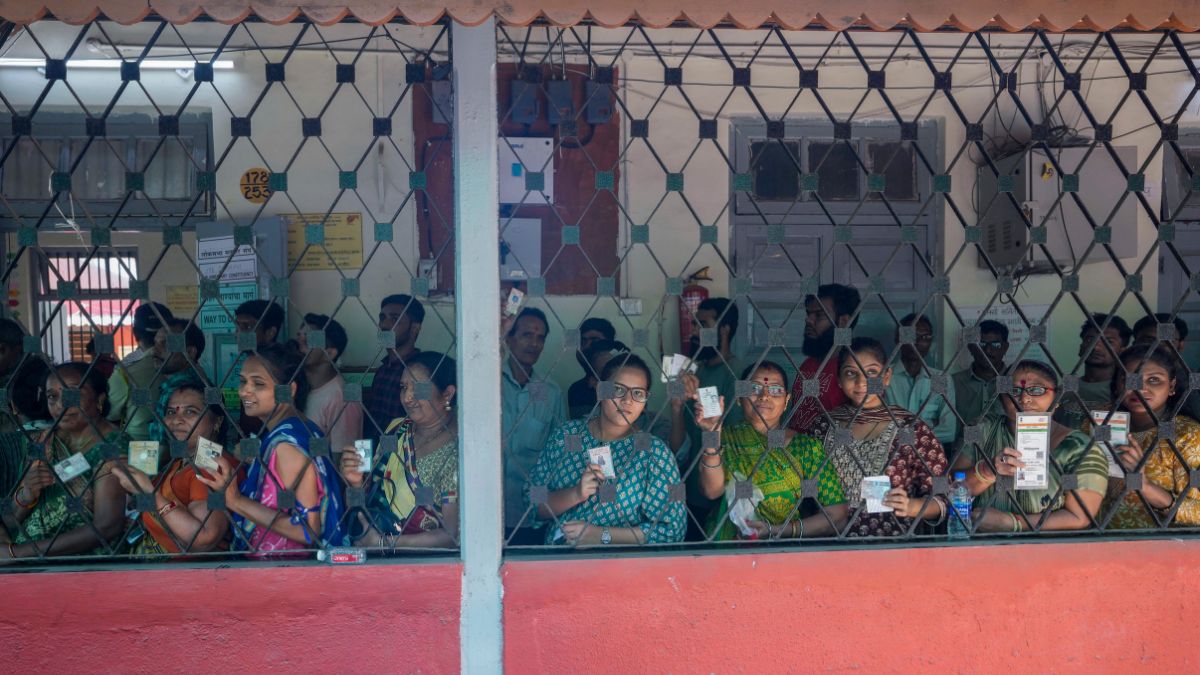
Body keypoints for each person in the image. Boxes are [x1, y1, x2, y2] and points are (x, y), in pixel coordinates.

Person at [195, 344, 346, 554]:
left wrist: (235, 500)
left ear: (289, 390)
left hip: (287, 571)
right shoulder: (299, 429)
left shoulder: (286, 446)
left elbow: (306, 530)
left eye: (258, 383)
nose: (244, 390)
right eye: (243, 381)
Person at [528, 353, 685, 545]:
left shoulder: (654, 453)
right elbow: (531, 504)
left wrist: (602, 535)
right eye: (618, 389)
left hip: (622, 569)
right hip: (558, 566)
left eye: (638, 393)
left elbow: (672, 530)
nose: (627, 400)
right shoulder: (567, 436)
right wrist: (575, 494)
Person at [694, 361, 848, 541]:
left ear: (786, 401)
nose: (764, 396)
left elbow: (838, 515)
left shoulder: (806, 448)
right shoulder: (723, 438)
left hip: (782, 551)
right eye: (754, 388)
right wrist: (712, 434)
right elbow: (711, 491)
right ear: (739, 396)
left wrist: (777, 530)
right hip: (728, 549)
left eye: (775, 390)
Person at [812, 338, 949, 537]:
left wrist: (911, 506)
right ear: (839, 380)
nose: (861, 382)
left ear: (886, 377)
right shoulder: (823, 427)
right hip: (830, 546)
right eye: (851, 373)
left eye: (872, 373)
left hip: (893, 550)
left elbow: (943, 496)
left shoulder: (911, 429)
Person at [951, 359, 1107, 532]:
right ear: (1002, 398)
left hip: (1048, 551)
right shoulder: (983, 430)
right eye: (1014, 391)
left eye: (1037, 390)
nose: (1024, 399)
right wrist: (987, 471)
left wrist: (1012, 523)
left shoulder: (1079, 447)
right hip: (982, 546)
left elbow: (1079, 517)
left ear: (1056, 397)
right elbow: (954, 485)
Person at [1, 362, 131, 559]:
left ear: (100, 399)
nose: (61, 404)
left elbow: (107, 527)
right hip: (23, 556)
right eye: (52, 396)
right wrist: (27, 495)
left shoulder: (114, 446)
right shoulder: (43, 441)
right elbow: (11, 519)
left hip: (81, 563)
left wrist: (18, 554)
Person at [340, 352, 459, 548]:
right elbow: (364, 502)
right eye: (404, 388)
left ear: (447, 394)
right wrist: (354, 483)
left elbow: (451, 536)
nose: (407, 398)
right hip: (373, 556)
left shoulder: (459, 451)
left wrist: (384, 543)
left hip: (428, 568)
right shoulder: (396, 429)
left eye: (418, 388)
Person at [111, 373, 234, 556]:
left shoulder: (211, 465)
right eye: (171, 412)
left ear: (217, 421)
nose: (176, 420)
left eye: (190, 412)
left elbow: (203, 538)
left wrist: (149, 493)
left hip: (190, 575)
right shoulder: (180, 460)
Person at [1095, 345, 1200, 528]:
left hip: (1157, 549)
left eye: (1154, 380)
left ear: (1171, 386)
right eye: (1130, 380)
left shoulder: (1188, 436)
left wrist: (1145, 487)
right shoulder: (1101, 421)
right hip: (1097, 544)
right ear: (1117, 384)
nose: (1140, 388)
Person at [502, 307, 564, 543]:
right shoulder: (489, 383)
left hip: (530, 513)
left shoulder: (551, 392)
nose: (534, 344)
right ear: (509, 338)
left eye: (540, 338)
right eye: (527, 335)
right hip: (484, 510)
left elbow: (560, 452)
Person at [788, 284, 861, 435]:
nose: (808, 320)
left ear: (843, 322)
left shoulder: (855, 369)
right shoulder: (807, 365)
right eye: (808, 314)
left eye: (818, 315)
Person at [885, 314, 958, 445]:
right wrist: (930, 429)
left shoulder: (942, 379)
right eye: (911, 335)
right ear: (898, 339)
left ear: (931, 342)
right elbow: (875, 427)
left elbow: (948, 432)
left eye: (925, 337)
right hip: (890, 457)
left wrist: (902, 436)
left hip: (930, 458)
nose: (918, 342)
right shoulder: (883, 377)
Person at [297, 313, 362, 452]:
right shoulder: (300, 387)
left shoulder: (342, 398)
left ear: (330, 353)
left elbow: (345, 457)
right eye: (299, 336)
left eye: (309, 338)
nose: (300, 342)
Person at [364, 294, 424, 442]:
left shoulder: (423, 372)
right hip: (378, 457)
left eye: (395, 318)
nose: (384, 325)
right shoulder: (382, 371)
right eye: (382, 318)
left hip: (404, 457)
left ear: (415, 328)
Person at [1058, 314, 1132, 426]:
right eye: (1090, 339)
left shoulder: (1124, 392)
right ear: (1081, 348)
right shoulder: (1063, 390)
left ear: (1122, 351)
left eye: (1108, 342)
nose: (1096, 347)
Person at [952, 319, 1009, 431]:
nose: (987, 350)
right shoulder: (954, 383)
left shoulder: (1015, 382)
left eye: (996, 344)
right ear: (971, 348)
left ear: (1005, 347)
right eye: (981, 344)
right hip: (962, 447)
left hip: (1006, 447)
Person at [568, 317, 618, 418]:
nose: (586, 347)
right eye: (583, 341)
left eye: (595, 341)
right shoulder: (576, 390)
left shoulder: (625, 387)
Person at [568, 338, 628, 419]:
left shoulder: (647, 424)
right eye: (605, 376)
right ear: (593, 383)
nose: (616, 384)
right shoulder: (580, 426)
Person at [122, 302, 174, 367]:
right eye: (150, 341)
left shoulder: (125, 367)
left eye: (163, 342)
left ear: (136, 334)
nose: (154, 350)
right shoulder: (183, 363)